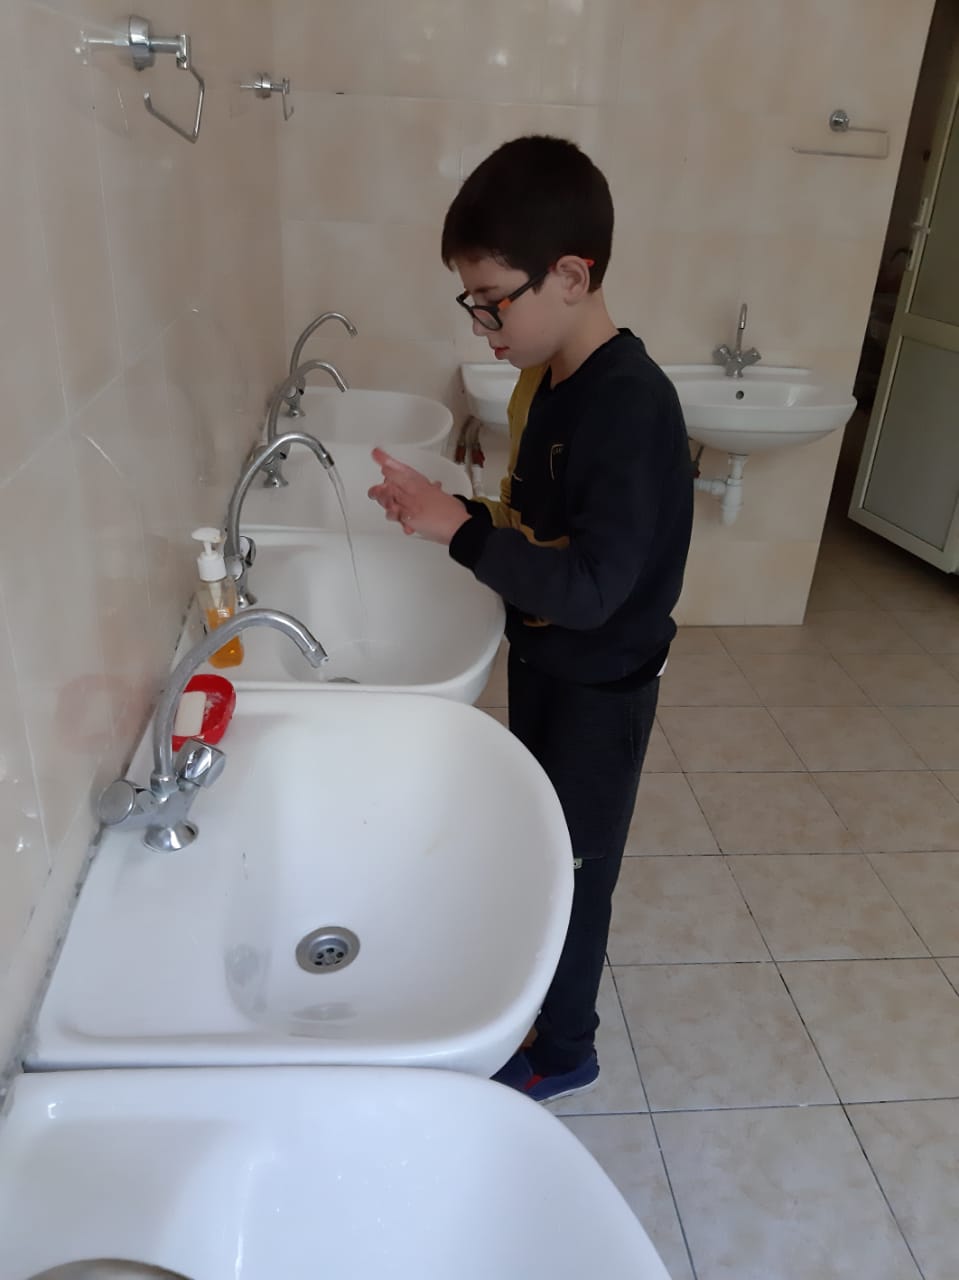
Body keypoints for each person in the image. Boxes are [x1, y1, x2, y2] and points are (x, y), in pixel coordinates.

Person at [369, 135, 693, 1104]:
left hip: (602, 687)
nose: (482, 325)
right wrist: (455, 511)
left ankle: (565, 1046)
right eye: (470, 302)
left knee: (576, 867)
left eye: (492, 300)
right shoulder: (547, 380)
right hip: (549, 661)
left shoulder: (629, 406)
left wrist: (461, 532)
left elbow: (591, 585)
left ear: (570, 275)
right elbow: (541, 526)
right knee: (539, 842)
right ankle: (527, 996)